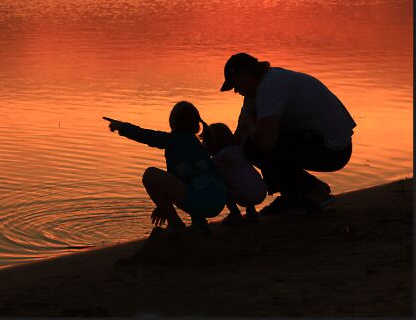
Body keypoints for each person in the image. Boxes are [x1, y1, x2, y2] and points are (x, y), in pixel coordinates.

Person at [220, 52, 356, 215]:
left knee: (256, 147)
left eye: (235, 84)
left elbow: (265, 141)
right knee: (253, 145)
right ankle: (293, 196)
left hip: (334, 150)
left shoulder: (270, 87)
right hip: (320, 141)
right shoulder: (258, 90)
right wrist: (223, 155)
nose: (236, 91)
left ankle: (314, 190)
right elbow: (241, 133)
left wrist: (250, 125)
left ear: (243, 75)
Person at [103, 101, 227, 234]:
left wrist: (121, 126)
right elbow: (184, 179)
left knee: (150, 175)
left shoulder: (173, 140)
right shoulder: (195, 143)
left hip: (202, 200)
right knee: (194, 180)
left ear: (173, 122)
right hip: (219, 198)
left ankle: (175, 223)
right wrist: (163, 205)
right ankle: (200, 224)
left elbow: (145, 135)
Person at [201, 122, 267, 225]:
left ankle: (235, 213)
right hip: (261, 190)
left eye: (205, 141)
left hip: (245, 195)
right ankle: (251, 212)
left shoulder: (220, 158)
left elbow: (206, 168)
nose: (203, 143)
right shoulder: (240, 149)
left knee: (219, 184)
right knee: (241, 179)